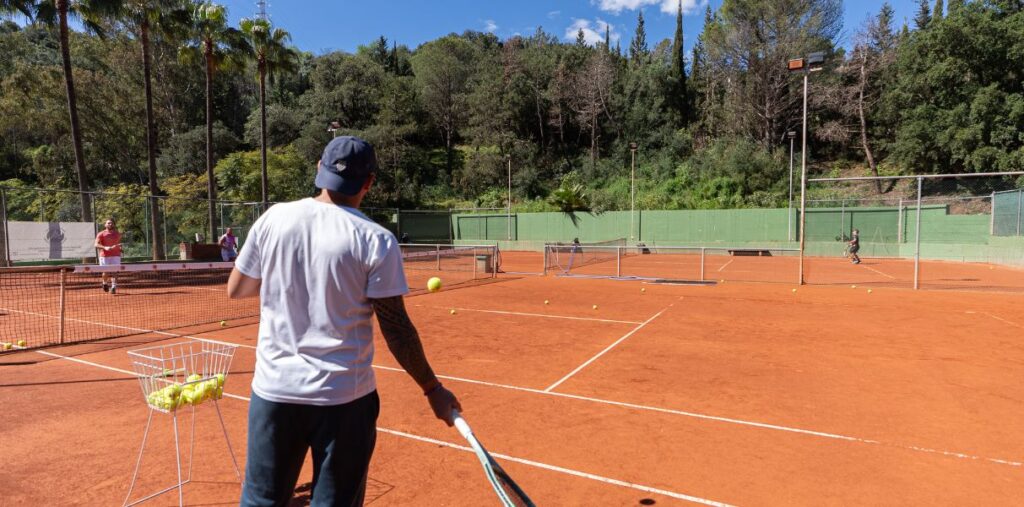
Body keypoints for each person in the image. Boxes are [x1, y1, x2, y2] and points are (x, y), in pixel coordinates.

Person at [227, 136, 461, 506]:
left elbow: (237, 288)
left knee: (261, 500)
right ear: (368, 182)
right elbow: (396, 330)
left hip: (273, 392)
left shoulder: (273, 218)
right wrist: (432, 389)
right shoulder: (376, 239)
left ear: (319, 167)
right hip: (344, 400)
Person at [94, 218, 122, 294]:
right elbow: (96, 244)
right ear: (105, 225)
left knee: (115, 271)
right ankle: (104, 283)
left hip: (116, 255)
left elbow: (118, 243)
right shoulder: (101, 234)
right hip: (104, 256)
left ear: (114, 224)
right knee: (105, 271)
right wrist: (105, 247)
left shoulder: (117, 234)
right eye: (108, 223)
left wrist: (120, 248)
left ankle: (113, 287)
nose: (110, 224)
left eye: (111, 223)